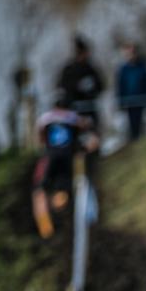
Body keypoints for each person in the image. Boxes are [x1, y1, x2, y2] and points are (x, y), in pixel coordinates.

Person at [31, 90, 98, 239]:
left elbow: (40, 139)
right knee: (66, 190)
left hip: (50, 158)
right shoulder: (74, 118)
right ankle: (62, 212)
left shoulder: (45, 119)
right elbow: (91, 136)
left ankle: (46, 228)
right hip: (69, 159)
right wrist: (83, 149)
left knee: (39, 191)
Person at [57, 35, 105, 122]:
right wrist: (77, 87)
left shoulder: (91, 69)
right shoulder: (69, 69)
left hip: (89, 109)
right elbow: (62, 85)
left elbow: (101, 85)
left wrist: (91, 89)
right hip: (73, 109)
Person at [115, 43, 146, 143]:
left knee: (142, 125)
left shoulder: (143, 67)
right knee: (130, 127)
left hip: (141, 101)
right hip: (128, 102)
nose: (130, 55)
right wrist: (120, 102)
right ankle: (133, 142)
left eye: (132, 52)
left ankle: (142, 142)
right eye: (128, 53)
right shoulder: (123, 69)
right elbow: (120, 86)